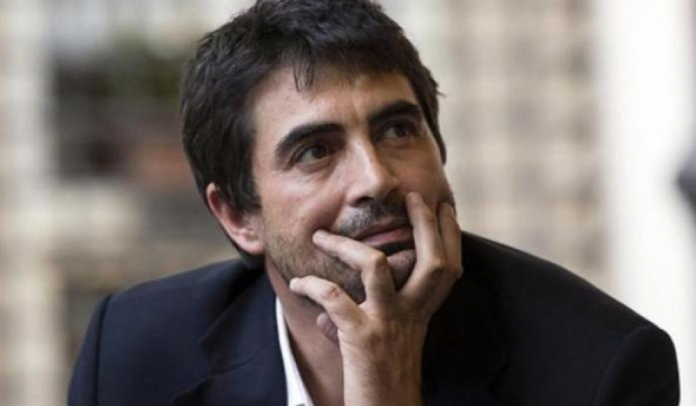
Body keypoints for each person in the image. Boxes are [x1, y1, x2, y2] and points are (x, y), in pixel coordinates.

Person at [68, 1, 680, 405]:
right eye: (315, 151)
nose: (376, 179)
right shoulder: (133, 349)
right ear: (237, 216)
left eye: (397, 130)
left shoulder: (602, 370)